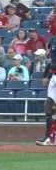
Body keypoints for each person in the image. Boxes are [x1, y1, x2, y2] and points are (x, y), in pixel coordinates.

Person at [35, 14, 56, 146]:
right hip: (54, 76)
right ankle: (49, 137)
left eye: (52, 22)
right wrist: (47, 76)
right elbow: (51, 61)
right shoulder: (52, 40)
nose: (49, 25)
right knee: (49, 106)